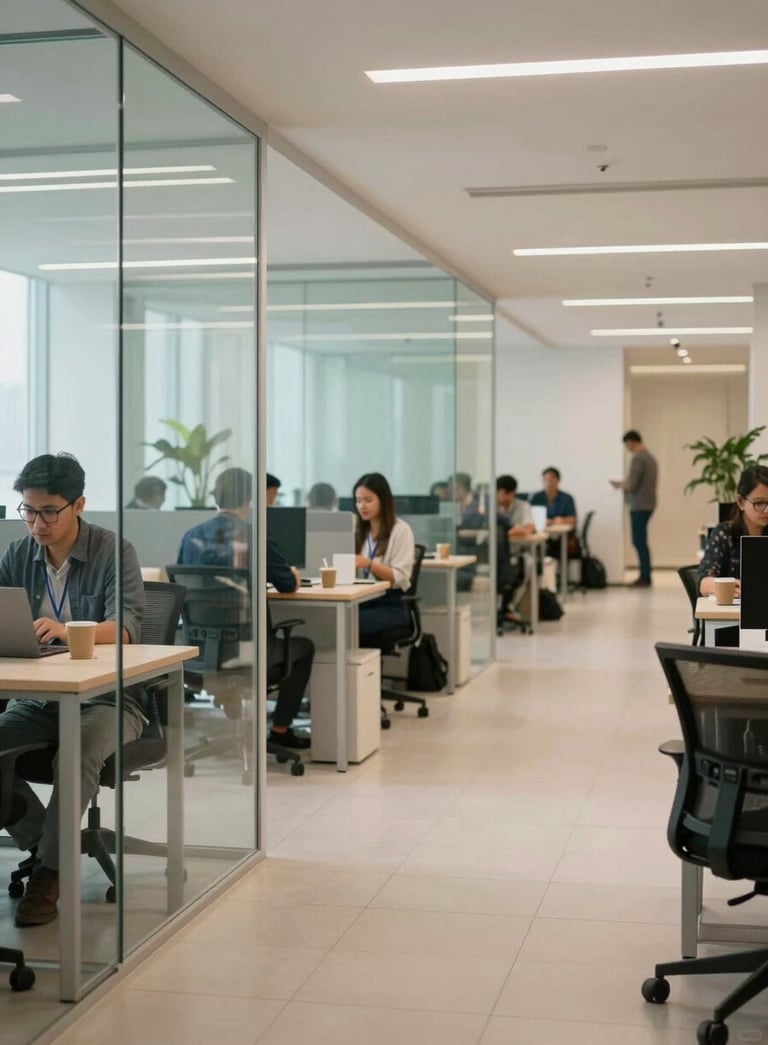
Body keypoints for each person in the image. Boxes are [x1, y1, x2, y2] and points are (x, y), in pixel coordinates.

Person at [0, 453, 145, 927]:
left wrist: (67, 629)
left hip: (108, 698)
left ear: (78, 505)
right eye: (28, 511)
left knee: (76, 752)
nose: (37, 524)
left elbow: (127, 629)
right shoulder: (17, 555)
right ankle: (47, 846)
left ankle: (50, 873)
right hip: (39, 698)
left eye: (48, 512)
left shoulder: (113, 550)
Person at [177, 467, 314, 749]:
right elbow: (287, 584)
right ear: (249, 499)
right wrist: (292, 573)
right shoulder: (254, 536)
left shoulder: (190, 537)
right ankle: (280, 729)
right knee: (305, 647)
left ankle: (232, 702)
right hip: (246, 653)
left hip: (199, 654)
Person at [353, 473, 416, 642]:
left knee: (350, 623)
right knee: (335, 619)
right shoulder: (360, 531)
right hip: (361, 600)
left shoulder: (401, 530)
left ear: (383, 500)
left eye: (368, 500)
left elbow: (401, 577)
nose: (362, 506)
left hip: (390, 605)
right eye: (358, 501)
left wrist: (369, 564)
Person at [698, 465, 768, 596]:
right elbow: (704, 584)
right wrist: (726, 586)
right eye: (759, 503)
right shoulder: (725, 533)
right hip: (734, 606)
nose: (766, 510)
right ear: (741, 502)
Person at [611, 429, 658, 588]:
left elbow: (632, 484)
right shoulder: (650, 457)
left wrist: (619, 485)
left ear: (631, 442)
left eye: (627, 445)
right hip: (649, 504)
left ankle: (645, 577)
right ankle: (645, 575)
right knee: (641, 541)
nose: (627, 448)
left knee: (638, 541)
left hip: (639, 505)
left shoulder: (638, 458)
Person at [496, 475, 536, 624]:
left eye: (502, 493)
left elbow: (529, 528)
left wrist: (510, 532)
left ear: (512, 493)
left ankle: (509, 607)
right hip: (494, 555)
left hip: (515, 553)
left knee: (528, 563)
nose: (498, 496)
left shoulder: (523, 506)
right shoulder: (489, 507)